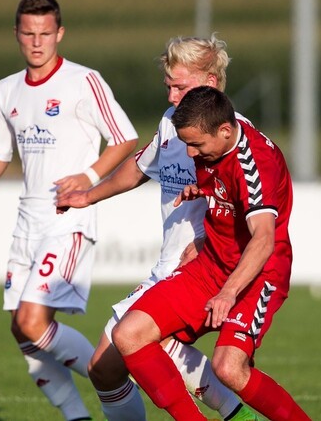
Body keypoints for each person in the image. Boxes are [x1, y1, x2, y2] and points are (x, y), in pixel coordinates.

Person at [56, 35, 258, 421]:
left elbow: (256, 210)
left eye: (179, 87)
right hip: (168, 264)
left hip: (203, 269)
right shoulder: (172, 123)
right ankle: (238, 414)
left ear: (209, 84)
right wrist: (89, 194)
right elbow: (139, 166)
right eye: (168, 86)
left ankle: (238, 414)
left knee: (141, 339)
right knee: (105, 368)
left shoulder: (233, 134)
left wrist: (209, 243)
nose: (170, 96)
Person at [0, 0, 138, 420]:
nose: (37, 42)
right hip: (27, 221)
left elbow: (125, 138)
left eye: (45, 33)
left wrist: (90, 177)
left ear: (59, 33)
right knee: (22, 330)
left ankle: (112, 376)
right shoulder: (7, 89)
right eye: (29, 33)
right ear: (17, 35)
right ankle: (77, 416)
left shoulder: (84, 80)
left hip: (69, 218)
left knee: (30, 321)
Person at [111, 86, 310, 420]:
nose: (189, 154)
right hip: (209, 267)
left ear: (225, 131)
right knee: (129, 335)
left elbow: (263, 239)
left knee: (229, 367)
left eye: (196, 144)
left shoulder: (254, 164)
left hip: (257, 275)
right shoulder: (210, 148)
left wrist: (228, 293)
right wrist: (200, 192)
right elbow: (224, 192)